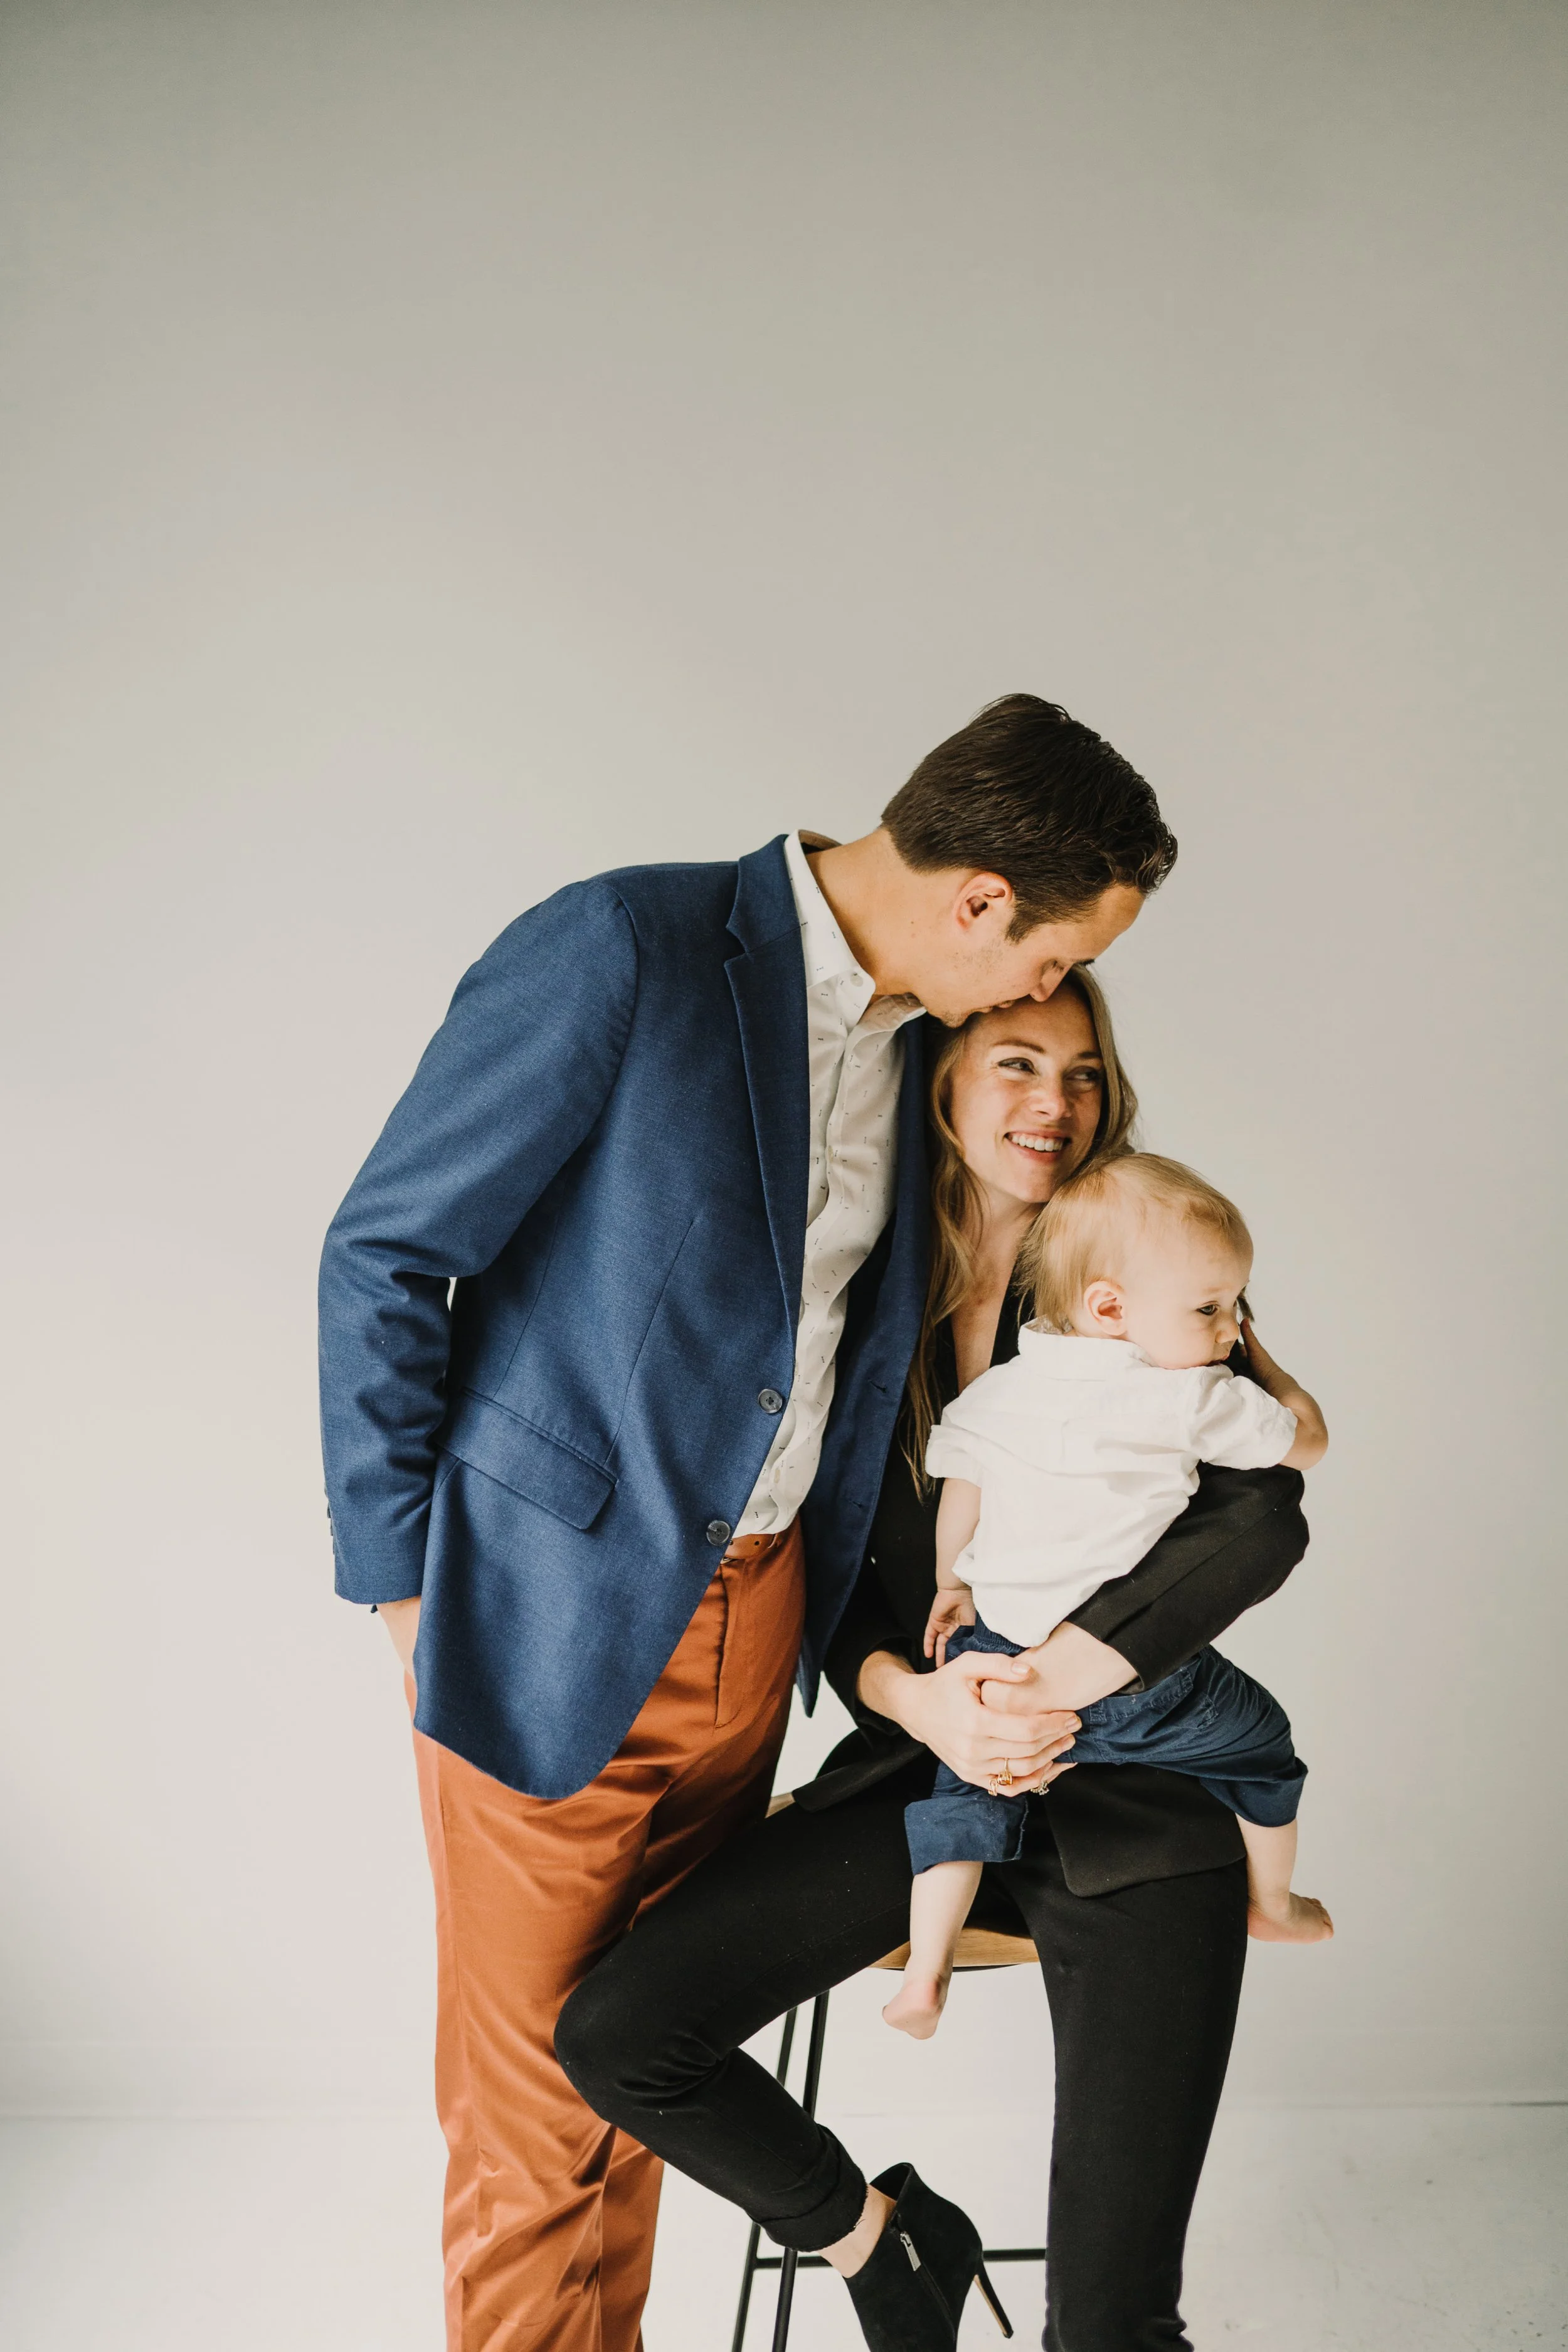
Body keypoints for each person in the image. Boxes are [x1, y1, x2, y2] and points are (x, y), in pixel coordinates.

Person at [317, 693, 1174, 2352]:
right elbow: (384, 1247)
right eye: (1053, 952)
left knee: (632, 2060)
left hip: (761, 1624)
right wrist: (398, 1580)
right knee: (526, 2121)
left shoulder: (927, 1037)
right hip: (545, 1612)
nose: (1049, 993)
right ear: (981, 897)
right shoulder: (626, 945)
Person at [554, 975, 1313, 2352]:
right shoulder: (849, 1307)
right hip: (924, 1778)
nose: (1055, 1104)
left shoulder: (1151, 1266)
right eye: (1016, 1064)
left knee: (1112, 2326)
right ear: (941, 1090)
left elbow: (1265, 1511)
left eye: (1082, 1072)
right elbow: (827, 1581)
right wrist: (925, 1704)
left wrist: (1060, 1679)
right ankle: (884, 2242)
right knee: (619, 2036)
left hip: (1140, 1794)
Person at [886, 1151, 1332, 2045]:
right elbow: (1307, 1446)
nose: (1228, 1327)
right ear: (1110, 1308)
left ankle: (925, 1976)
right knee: (1264, 1742)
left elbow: (963, 1484)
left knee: (965, 1799)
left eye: (1235, 1305)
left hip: (995, 1670)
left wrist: (951, 1582)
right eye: (1210, 1306)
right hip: (1133, 1682)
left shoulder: (1000, 1392)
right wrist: (1272, 1372)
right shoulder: (1187, 1395)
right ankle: (1273, 1902)